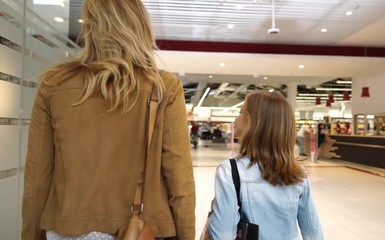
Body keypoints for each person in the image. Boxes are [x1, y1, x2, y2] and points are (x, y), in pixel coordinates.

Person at [21, 0, 195, 239]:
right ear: (141, 24)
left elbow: (37, 179)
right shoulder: (163, 87)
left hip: (68, 230)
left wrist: (30, 235)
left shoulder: (54, 85)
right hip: (142, 229)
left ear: (90, 26)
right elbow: (179, 181)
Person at [207, 91, 323, 239]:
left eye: (241, 112)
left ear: (254, 122)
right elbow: (313, 231)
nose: (236, 118)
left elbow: (222, 234)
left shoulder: (230, 171)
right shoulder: (299, 174)